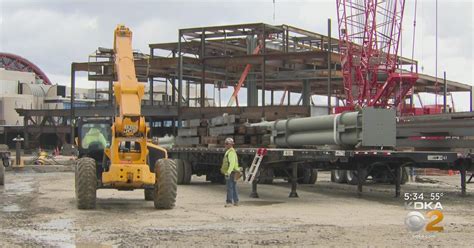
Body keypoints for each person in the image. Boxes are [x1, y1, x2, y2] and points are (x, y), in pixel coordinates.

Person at [220, 137, 240, 207]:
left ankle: (229, 202)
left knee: (229, 187)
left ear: (230, 144)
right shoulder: (231, 151)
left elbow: (232, 163)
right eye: (225, 143)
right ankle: (236, 201)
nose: (225, 145)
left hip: (231, 172)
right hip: (234, 171)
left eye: (226, 144)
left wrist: (228, 172)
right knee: (233, 187)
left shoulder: (231, 152)